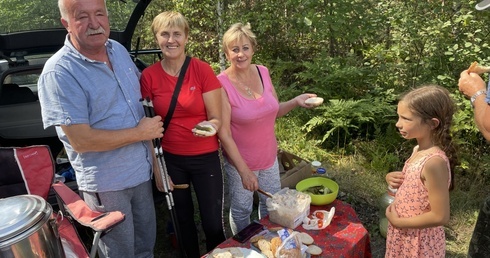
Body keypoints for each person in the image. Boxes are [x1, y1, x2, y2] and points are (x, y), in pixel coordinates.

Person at [38, 0, 161, 257]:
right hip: (108, 184)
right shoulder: (59, 72)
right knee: (120, 252)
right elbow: (81, 140)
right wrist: (141, 133)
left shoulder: (117, 49)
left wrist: (156, 166)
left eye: (99, 14)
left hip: (140, 173)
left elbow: (140, 108)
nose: (94, 23)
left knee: (145, 246)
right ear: (66, 24)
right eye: (82, 16)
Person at [140, 11, 225, 257]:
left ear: (186, 37)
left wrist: (210, 127)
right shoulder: (149, 77)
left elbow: (216, 118)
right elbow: (150, 130)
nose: (171, 40)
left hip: (205, 157)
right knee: (182, 221)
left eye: (177, 33)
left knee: (212, 223)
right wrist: (158, 170)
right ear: (157, 38)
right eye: (164, 34)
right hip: (171, 160)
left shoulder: (202, 70)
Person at [217, 22, 316, 234]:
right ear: (227, 54)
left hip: (269, 158)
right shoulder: (221, 83)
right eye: (234, 49)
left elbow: (274, 111)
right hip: (240, 163)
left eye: (245, 48)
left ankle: (268, 242)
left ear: (253, 49)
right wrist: (244, 171)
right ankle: (243, 249)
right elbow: (223, 133)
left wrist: (296, 101)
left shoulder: (263, 72)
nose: (241, 54)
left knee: (271, 204)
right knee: (242, 210)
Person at [384, 85, 457, 258]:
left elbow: (441, 216)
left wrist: (399, 222)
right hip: (404, 235)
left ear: (432, 123)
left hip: (419, 243)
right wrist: (391, 177)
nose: (398, 123)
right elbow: (416, 186)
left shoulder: (434, 163)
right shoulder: (417, 150)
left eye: (406, 119)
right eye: (398, 117)